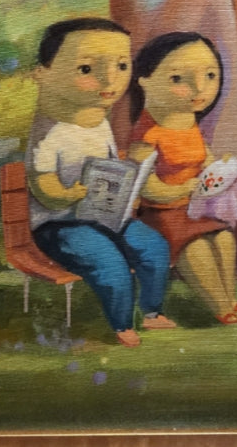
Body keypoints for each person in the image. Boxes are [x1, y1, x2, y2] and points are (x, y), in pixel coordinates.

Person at [25, 18, 176, 346]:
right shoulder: (50, 134)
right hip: (61, 225)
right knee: (109, 261)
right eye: (86, 69)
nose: (110, 80)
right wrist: (67, 194)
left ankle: (152, 311)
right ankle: (122, 324)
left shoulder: (100, 124)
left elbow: (108, 170)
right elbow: (42, 185)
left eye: (121, 66)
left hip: (104, 215)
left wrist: (131, 174)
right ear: (43, 74)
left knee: (153, 247)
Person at [127, 32, 237, 325]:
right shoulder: (148, 133)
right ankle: (219, 305)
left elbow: (202, 156)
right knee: (195, 247)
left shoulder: (187, 121)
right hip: (160, 213)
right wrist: (186, 188)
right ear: (145, 81)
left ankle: (228, 296)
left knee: (224, 238)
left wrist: (218, 168)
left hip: (193, 209)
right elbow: (145, 186)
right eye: (178, 78)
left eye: (210, 75)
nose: (200, 88)